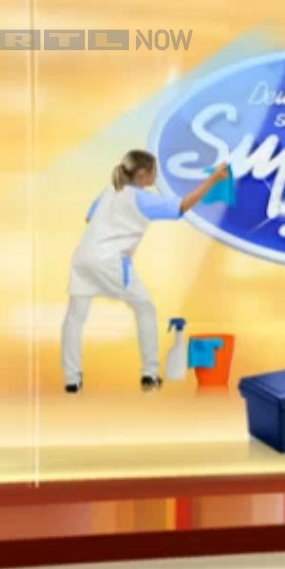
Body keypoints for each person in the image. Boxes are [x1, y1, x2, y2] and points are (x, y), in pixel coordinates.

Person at [61, 150, 228, 393]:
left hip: (82, 258)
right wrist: (213, 179)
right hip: (110, 262)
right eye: (153, 172)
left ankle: (72, 379)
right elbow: (182, 206)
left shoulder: (110, 191)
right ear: (141, 174)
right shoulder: (142, 199)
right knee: (145, 308)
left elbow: (90, 218)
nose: (156, 176)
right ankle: (150, 374)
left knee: (75, 317)